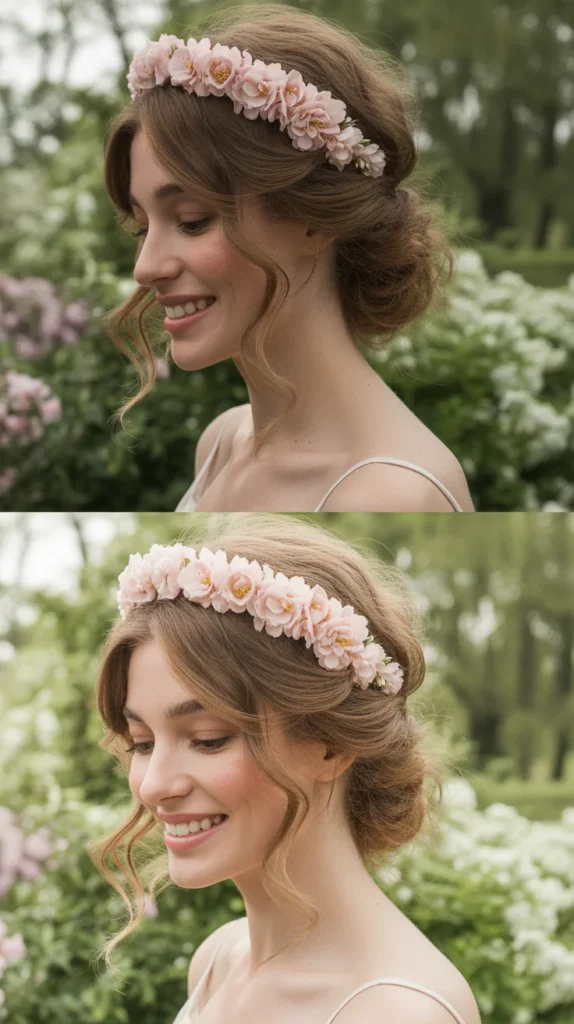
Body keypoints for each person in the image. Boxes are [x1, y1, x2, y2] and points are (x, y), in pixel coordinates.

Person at [89, 514, 482, 1023]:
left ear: (329, 745)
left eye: (208, 740)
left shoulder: (395, 1012)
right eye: (141, 743)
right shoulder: (218, 962)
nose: (155, 785)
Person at [102, 5, 475, 513]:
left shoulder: (390, 493)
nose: (145, 268)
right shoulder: (219, 445)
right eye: (143, 227)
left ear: (315, 219)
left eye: (192, 220)